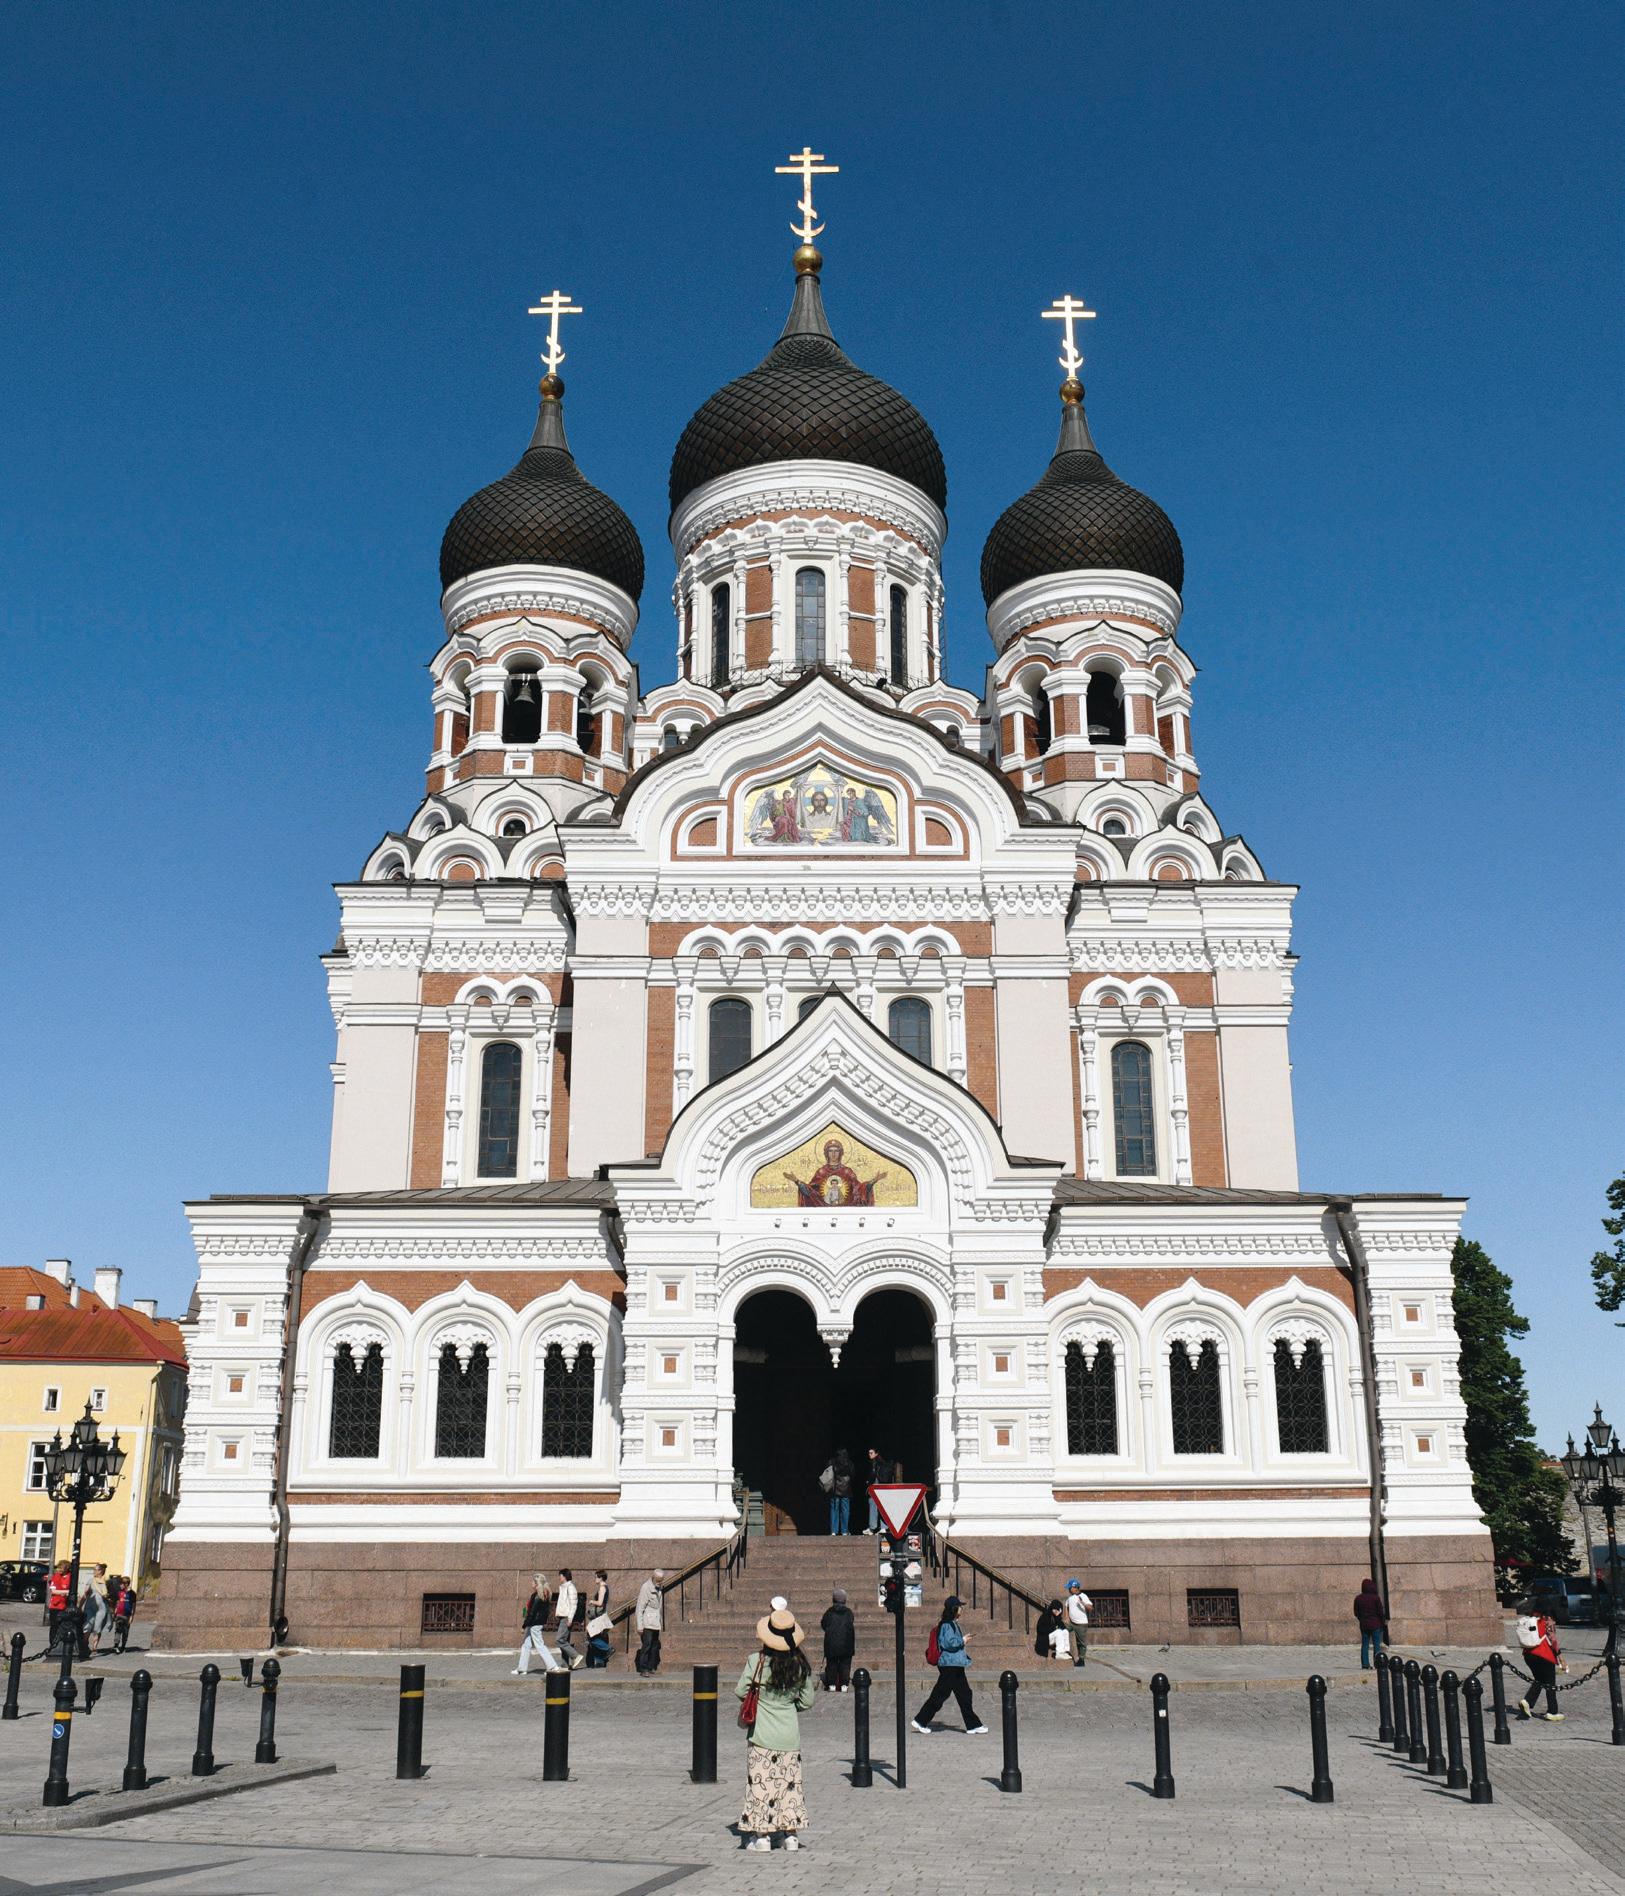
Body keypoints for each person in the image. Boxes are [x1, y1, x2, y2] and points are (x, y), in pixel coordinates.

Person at [735, 1603, 818, 1852]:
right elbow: (808, 1700)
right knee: (789, 1785)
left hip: (761, 1735)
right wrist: (789, 1706)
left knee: (761, 1786)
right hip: (789, 1735)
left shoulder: (757, 1661)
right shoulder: (799, 1665)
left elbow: (740, 1690)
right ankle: (791, 1835)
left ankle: (762, 1836)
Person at [911, 1596, 987, 1735]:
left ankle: (973, 1725)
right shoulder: (947, 1625)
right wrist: (963, 1640)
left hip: (955, 1665)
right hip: (949, 1666)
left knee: (964, 1694)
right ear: (954, 1609)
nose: (961, 1609)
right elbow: (948, 1643)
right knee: (940, 1695)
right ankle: (920, 1720)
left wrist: (962, 1639)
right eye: (960, 1607)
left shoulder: (952, 1623)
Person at [1516, 1602, 1566, 1721]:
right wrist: (1561, 1658)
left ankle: (1527, 1702)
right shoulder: (1547, 1621)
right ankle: (1552, 1712)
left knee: (1539, 1680)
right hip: (1544, 1655)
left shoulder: (1529, 1620)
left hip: (1529, 1655)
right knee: (1550, 1684)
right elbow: (1553, 1640)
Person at [513, 1574, 562, 1676]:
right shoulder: (545, 1594)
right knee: (526, 1645)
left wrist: (524, 1626)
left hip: (534, 1624)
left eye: (533, 1582)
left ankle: (552, 1666)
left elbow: (532, 1613)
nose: (531, 1583)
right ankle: (522, 1669)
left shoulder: (537, 1596)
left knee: (539, 1645)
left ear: (536, 1584)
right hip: (536, 1623)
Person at [820, 1588, 855, 1692]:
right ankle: (844, 1685)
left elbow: (823, 1624)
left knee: (832, 1664)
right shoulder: (848, 1612)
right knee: (845, 1664)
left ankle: (832, 1684)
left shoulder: (829, 1612)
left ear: (833, 1599)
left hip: (831, 1643)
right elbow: (851, 1622)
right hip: (846, 1643)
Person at [634, 1568, 665, 1675]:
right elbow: (640, 1607)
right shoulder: (646, 1587)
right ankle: (643, 1668)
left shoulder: (658, 1587)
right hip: (647, 1621)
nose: (660, 1582)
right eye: (658, 1580)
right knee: (646, 1645)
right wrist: (639, 1625)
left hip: (655, 1621)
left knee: (654, 1646)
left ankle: (651, 1666)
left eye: (661, 1580)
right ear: (653, 1577)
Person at [1353, 1577, 1388, 1669]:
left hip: (1364, 1624)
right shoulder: (1375, 1598)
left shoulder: (1358, 1598)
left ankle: (1365, 1664)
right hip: (1375, 1624)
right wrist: (1382, 1622)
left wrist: (1361, 1619)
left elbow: (1356, 1612)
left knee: (1365, 1644)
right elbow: (1380, 1612)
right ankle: (1378, 1663)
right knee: (1376, 1645)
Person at [553, 1568, 583, 1670]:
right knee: (564, 1641)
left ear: (565, 1576)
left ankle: (575, 1656)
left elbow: (573, 1604)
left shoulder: (570, 1587)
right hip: (563, 1616)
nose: (559, 1578)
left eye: (560, 1576)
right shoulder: (564, 1587)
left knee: (559, 1640)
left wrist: (570, 1618)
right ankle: (564, 1665)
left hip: (566, 1617)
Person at [584, 1569, 612, 1668]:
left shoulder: (602, 1588)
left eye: (596, 1577)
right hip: (600, 1614)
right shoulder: (604, 1587)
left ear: (601, 1578)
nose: (595, 1579)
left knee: (590, 1636)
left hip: (598, 1615)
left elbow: (600, 1603)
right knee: (598, 1636)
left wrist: (592, 1601)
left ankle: (608, 1648)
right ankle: (600, 1661)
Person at [863, 1448, 895, 1534]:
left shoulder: (874, 1462)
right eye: (869, 1453)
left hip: (875, 1486)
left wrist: (868, 1482)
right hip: (883, 1487)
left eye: (871, 1453)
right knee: (882, 1507)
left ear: (876, 1453)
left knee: (873, 1505)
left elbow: (873, 1474)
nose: (869, 1454)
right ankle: (883, 1527)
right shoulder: (883, 1462)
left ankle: (872, 1528)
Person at [1063, 1577, 1093, 1667]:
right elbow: (1066, 1606)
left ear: (1075, 1587)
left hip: (1081, 1624)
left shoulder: (1083, 1596)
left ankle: (1081, 1660)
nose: (1068, 1589)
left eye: (1069, 1588)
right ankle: (1062, 1649)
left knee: (1081, 1642)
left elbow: (1091, 1608)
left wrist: (1083, 1603)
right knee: (1062, 1630)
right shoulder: (1070, 1598)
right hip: (1071, 1623)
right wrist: (1066, 1617)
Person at [83, 1564, 110, 1654]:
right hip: (90, 1606)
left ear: (100, 1571)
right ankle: (84, 1644)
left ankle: (94, 1647)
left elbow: (112, 1595)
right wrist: (80, 1606)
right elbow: (85, 1594)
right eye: (94, 1569)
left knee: (97, 1627)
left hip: (101, 1608)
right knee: (87, 1625)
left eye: (95, 1569)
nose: (94, 1571)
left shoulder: (107, 1582)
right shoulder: (91, 1581)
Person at [828, 1448, 855, 1536]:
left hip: (835, 1489)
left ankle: (834, 1531)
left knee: (834, 1510)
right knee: (845, 1510)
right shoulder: (849, 1463)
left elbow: (828, 1474)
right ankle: (844, 1531)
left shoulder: (832, 1462)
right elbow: (853, 1474)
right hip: (846, 1490)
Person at [45, 1563, 71, 1653]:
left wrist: (65, 1592)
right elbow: (53, 1591)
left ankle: (61, 1643)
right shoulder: (56, 1576)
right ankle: (53, 1644)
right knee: (54, 1626)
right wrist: (66, 1592)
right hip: (55, 1605)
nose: (59, 1569)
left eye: (61, 1568)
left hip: (65, 1605)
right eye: (58, 1568)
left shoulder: (70, 1577)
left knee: (64, 1626)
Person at [111, 1576, 136, 1655]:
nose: (120, 1585)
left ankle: (123, 1646)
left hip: (127, 1615)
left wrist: (132, 1616)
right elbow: (117, 1603)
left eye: (121, 1583)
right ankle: (116, 1645)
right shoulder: (119, 1592)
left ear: (126, 1584)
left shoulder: (132, 1594)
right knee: (118, 1630)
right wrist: (114, 1613)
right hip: (119, 1614)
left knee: (125, 1631)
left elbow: (133, 1605)